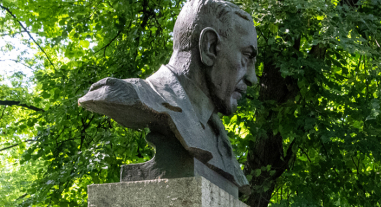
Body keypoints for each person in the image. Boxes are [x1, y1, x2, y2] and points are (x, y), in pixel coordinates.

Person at [78, 0, 258, 194]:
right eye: (246, 57)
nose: (252, 78)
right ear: (210, 47)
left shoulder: (220, 142)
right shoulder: (127, 94)